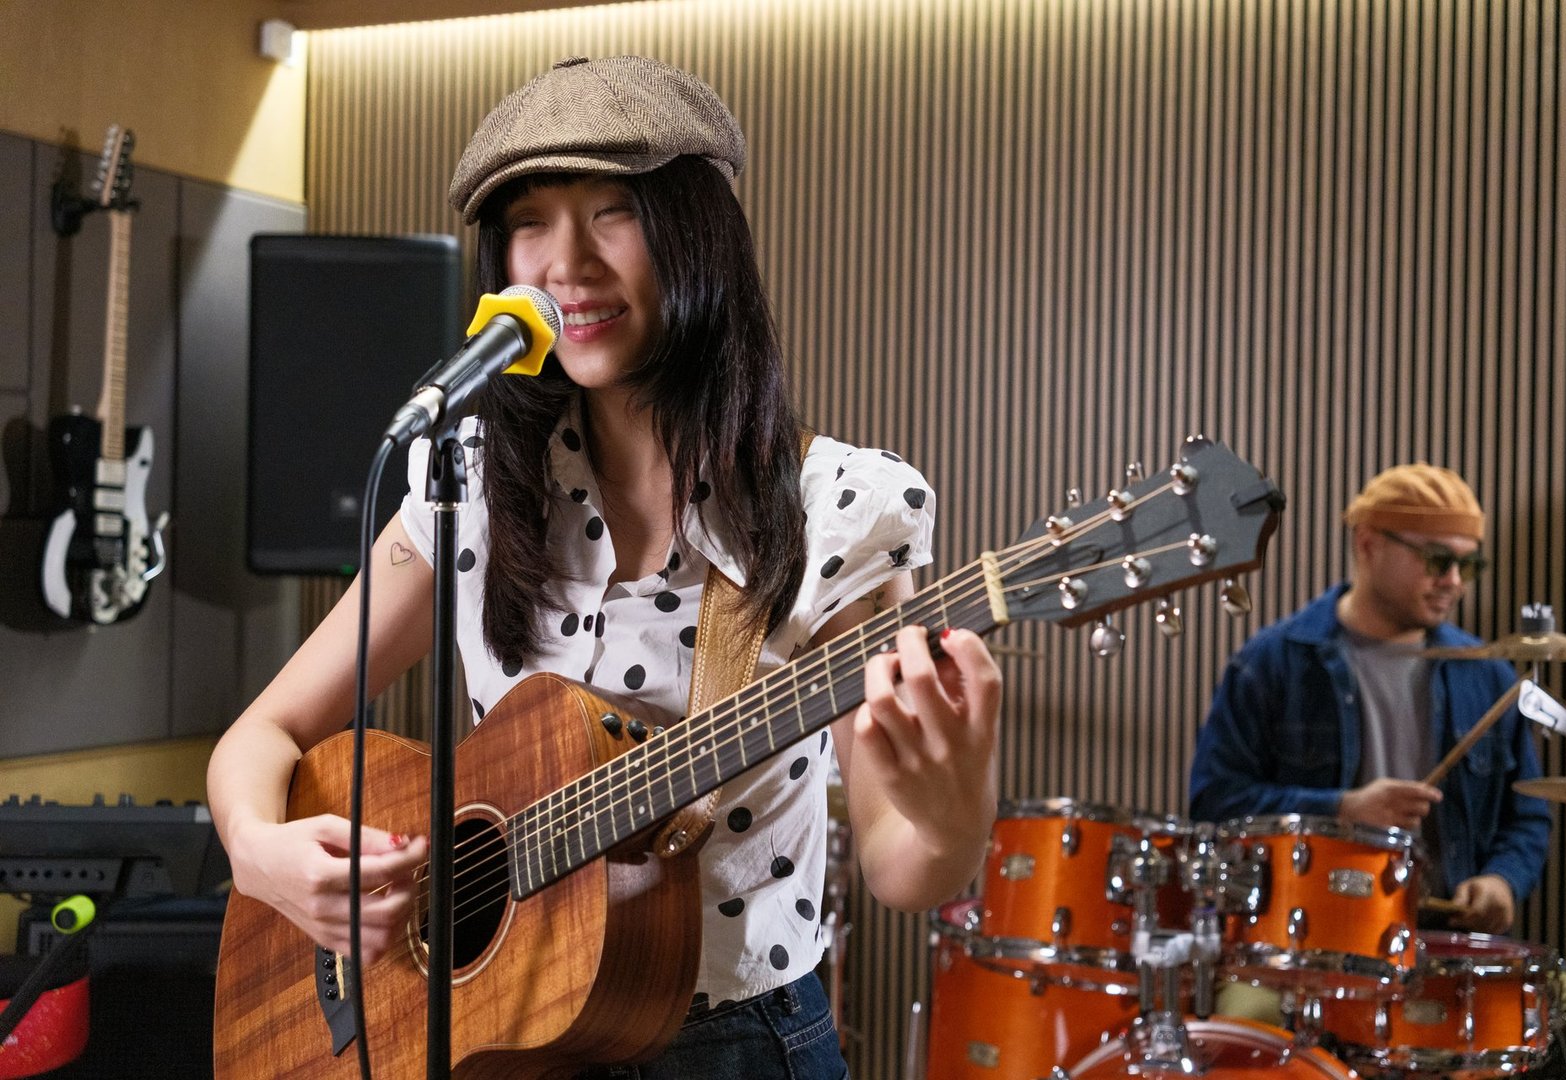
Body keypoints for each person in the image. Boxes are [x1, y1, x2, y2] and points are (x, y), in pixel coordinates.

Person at [207, 55, 1002, 1079]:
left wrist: (954, 814)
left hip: (731, 1045)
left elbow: (899, 862)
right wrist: (259, 852)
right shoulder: (471, 483)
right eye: (529, 222)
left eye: (612, 213)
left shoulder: (837, 509)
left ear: (697, 235)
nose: (564, 264)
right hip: (497, 1044)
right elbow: (262, 734)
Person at [1188, 463, 1566, 1078]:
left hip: (1444, 945)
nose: (1454, 582)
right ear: (1368, 544)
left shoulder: (1485, 675)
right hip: (1301, 951)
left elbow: (1526, 817)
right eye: (1438, 560)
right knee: (1244, 1046)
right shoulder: (1274, 663)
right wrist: (1342, 809)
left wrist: (1502, 882)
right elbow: (1213, 804)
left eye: (1469, 565)